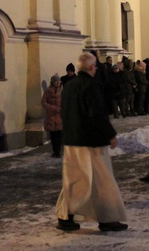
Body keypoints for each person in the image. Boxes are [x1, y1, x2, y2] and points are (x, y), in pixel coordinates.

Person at [55, 52, 128, 232]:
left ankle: (66, 216)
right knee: (101, 180)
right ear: (91, 68)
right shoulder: (91, 86)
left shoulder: (69, 86)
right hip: (91, 141)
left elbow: (64, 112)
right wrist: (110, 134)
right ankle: (107, 217)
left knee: (73, 180)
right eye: (95, 66)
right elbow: (97, 113)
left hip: (72, 140)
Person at [41, 74, 63, 158]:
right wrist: (52, 108)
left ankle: (58, 151)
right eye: (56, 81)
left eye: (59, 81)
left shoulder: (62, 91)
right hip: (51, 116)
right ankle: (55, 151)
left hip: (59, 116)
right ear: (53, 82)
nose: (58, 83)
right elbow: (43, 102)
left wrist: (62, 109)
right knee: (53, 135)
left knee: (59, 134)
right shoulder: (48, 91)